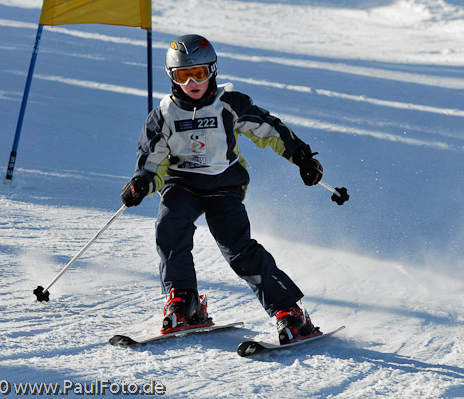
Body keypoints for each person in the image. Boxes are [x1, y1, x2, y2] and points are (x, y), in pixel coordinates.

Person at [121, 34, 324, 344]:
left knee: (237, 248)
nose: (192, 82)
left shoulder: (229, 103)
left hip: (224, 185)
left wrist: (300, 156)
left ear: (212, 71)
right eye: (182, 75)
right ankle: (184, 300)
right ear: (171, 77)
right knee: (170, 226)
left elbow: (267, 129)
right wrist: (142, 183)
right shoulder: (162, 116)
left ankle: (289, 312)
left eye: (199, 73)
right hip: (182, 183)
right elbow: (152, 163)